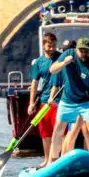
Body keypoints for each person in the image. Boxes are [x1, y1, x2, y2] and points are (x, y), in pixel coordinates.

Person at [47, 38, 89, 163]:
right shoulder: (68, 54)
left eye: (86, 51)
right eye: (81, 51)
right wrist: (64, 63)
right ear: (76, 49)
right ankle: (52, 160)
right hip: (67, 99)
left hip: (86, 101)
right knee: (58, 129)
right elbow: (52, 69)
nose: (84, 54)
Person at [30, 33, 61, 168]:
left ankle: (58, 158)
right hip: (44, 101)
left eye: (54, 46)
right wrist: (31, 103)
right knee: (45, 133)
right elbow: (34, 83)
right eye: (49, 46)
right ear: (44, 46)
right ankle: (47, 159)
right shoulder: (38, 62)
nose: (52, 48)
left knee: (59, 131)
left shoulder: (60, 58)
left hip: (58, 100)